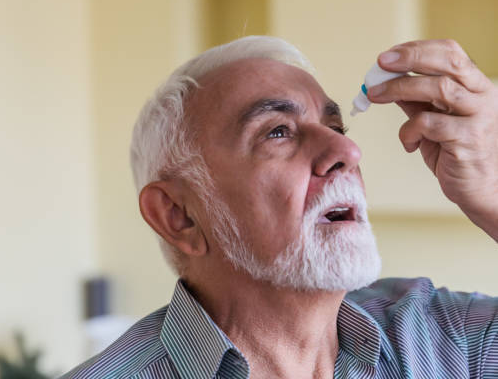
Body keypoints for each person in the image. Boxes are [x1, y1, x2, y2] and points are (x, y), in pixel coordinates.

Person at [61, 36, 498, 378]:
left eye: (335, 125)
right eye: (277, 132)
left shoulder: (445, 338)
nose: (346, 149)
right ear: (179, 215)